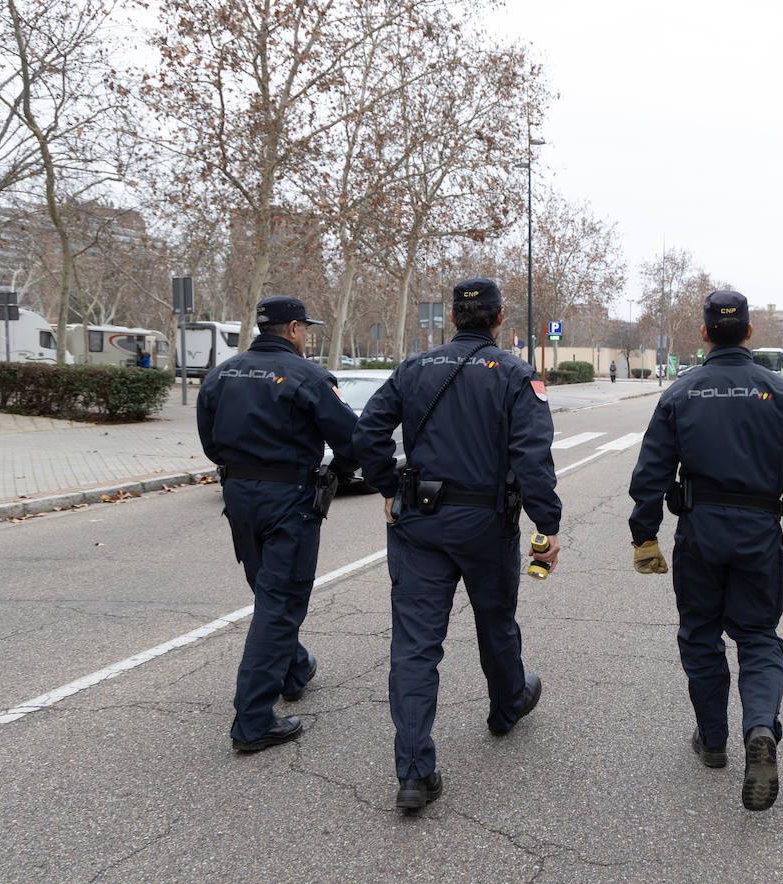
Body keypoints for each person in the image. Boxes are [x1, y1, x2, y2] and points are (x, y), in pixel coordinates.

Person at [353, 277, 561, 816]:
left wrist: (387, 486)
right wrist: (548, 525)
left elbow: (367, 434)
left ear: (451, 318)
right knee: (496, 620)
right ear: (498, 320)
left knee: (416, 645)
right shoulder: (515, 374)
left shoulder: (414, 368)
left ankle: (416, 774)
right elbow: (532, 459)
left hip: (418, 522)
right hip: (485, 523)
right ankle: (506, 704)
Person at [627, 289, 783, 812]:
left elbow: (650, 474)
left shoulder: (680, 393)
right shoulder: (782, 393)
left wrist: (644, 535)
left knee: (700, 633)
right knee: (758, 635)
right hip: (759, 531)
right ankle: (759, 726)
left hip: (700, 532)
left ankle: (713, 740)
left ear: (706, 333)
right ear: (750, 333)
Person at [197, 295, 360, 753]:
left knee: (268, 591)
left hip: (240, 495)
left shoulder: (222, 373)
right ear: (292, 329)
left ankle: (295, 669)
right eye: (305, 328)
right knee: (281, 601)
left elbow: (210, 442)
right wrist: (344, 470)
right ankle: (252, 721)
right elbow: (349, 437)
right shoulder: (305, 376)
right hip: (288, 498)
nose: (306, 335)